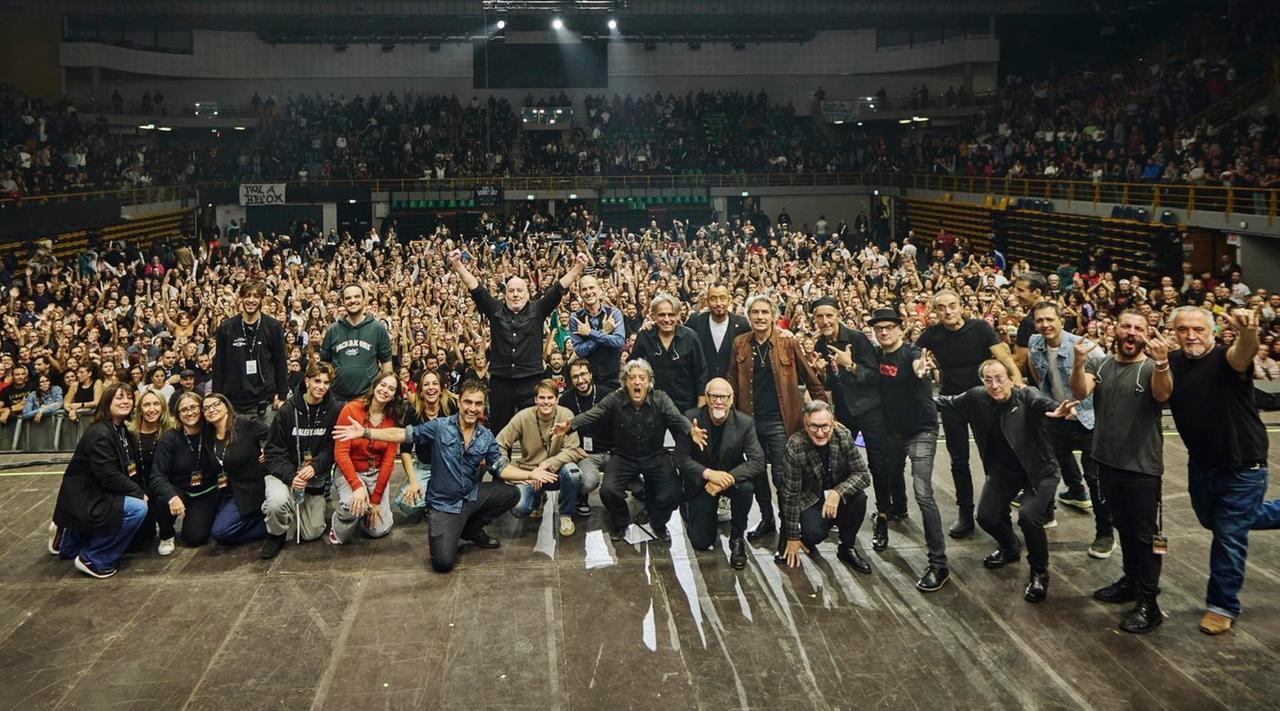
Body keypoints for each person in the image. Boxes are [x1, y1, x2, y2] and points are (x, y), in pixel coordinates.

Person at [1167, 307, 1280, 635]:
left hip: (1243, 465)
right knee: (1215, 520)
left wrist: (1247, 332)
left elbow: (1243, 352)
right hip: (1202, 464)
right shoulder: (1172, 361)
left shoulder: (1225, 359)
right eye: (1184, 330)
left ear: (1213, 331)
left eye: (1198, 329)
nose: (1191, 336)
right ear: (1174, 332)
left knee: (1229, 533)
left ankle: (1222, 604)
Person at [335, 380, 521, 574]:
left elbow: (501, 467)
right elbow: (404, 435)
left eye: (478, 403)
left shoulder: (485, 435)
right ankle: (443, 520)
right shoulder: (440, 426)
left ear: (484, 406)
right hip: (443, 502)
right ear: (459, 403)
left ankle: (471, 529)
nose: (472, 408)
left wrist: (531, 474)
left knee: (512, 493)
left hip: (469, 495)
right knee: (442, 563)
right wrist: (366, 432)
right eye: (468, 402)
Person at [936, 360, 1077, 603]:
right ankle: (1011, 548)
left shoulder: (1027, 396)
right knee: (987, 517)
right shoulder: (976, 397)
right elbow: (946, 402)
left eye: (1000, 378)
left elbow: (1042, 402)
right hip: (1003, 470)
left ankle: (1039, 573)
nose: (994, 384)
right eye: (988, 379)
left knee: (1029, 517)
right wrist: (910, 396)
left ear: (1011, 378)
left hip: (1039, 470)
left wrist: (1058, 409)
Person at [1069, 310, 1172, 634]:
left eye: (1138, 328)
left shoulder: (1150, 367)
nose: (1131, 333)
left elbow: (1163, 394)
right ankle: (1130, 580)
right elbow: (1080, 391)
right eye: (1125, 326)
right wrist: (1077, 362)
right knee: (1124, 529)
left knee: (1145, 537)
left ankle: (1149, 602)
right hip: (1107, 463)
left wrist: (1162, 363)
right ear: (1115, 329)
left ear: (1146, 333)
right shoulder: (1101, 365)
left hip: (1142, 468)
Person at [552, 359, 706, 542]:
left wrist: (691, 430)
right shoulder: (615, 398)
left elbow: (676, 417)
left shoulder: (660, 398)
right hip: (624, 456)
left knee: (673, 493)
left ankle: (658, 522)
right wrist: (569, 426)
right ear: (625, 382)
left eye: (642, 378)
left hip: (655, 455)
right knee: (608, 491)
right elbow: (593, 413)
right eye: (632, 378)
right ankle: (620, 521)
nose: (637, 382)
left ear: (650, 382)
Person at [726, 293, 829, 559]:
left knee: (783, 478)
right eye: (755, 313)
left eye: (765, 312)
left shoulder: (788, 342)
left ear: (773, 315)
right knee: (757, 474)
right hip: (750, 422)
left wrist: (826, 412)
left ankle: (788, 527)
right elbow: (732, 383)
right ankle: (766, 520)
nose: (760, 317)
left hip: (781, 422)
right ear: (749, 317)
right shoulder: (740, 343)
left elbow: (810, 376)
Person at [917, 289, 1022, 538]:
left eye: (952, 305)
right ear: (935, 311)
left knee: (994, 458)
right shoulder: (931, 334)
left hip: (984, 401)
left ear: (961, 305)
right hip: (953, 402)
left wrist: (1017, 382)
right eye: (942, 307)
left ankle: (999, 510)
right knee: (959, 460)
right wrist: (918, 365)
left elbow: (1004, 357)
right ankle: (965, 512)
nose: (948, 311)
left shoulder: (981, 328)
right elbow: (913, 354)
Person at [450, 248, 588, 432]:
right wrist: (458, 265)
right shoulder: (495, 309)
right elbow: (476, 288)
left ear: (527, 293)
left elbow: (558, 290)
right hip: (501, 381)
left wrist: (578, 267)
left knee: (534, 430)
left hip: (530, 381)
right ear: (505, 294)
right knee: (498, 430)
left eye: (520, 291)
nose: (515, 294)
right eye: (511, 291)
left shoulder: (538, 309)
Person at [868, 308, 949, 592]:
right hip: (893, 430)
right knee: (890, 472)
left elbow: (919, 366)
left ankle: (939, 564)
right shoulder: (878, 355)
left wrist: (921, 369)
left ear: (900, 329)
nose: (884, 332)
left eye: (889, 327)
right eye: (879, 329)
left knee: (923, 491)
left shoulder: (912, 354)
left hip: (922, 431)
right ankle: (896, 510)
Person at [811, 296, 900, 551]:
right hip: (844, 413)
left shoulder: (858, 339)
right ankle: (842, 512)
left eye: (829, 315)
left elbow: (874, 377)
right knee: (839, 464)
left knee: (878, 464)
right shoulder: (819, 343)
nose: (825, 321)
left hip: (870, 410)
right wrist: (821, 372)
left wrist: (849, 365)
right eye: (820, 316)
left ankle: (883, 515)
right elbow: (829, 384)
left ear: (837, 315)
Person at [1028, 302, 1115, 558]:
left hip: (1088, 421)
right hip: (1055, 418)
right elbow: (1036, 373)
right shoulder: (1035, 343)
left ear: (1061, 320)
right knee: (1044, 470)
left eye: (1049, 320)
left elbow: (1105, 378)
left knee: (1096, 481)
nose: (1045, 325)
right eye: (1040, 321)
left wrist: (1085, 403)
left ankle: (1105, 534)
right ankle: (1047, 513)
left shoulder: (1085, 346)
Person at [49, 383, 148, 578]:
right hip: (88, 498)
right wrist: (139, 493)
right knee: (138, 509)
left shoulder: (120, 429)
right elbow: (108, 475)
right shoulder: (100, 433)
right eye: (119, 398)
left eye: (129, 397)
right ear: (107, 402)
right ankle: (94, 558)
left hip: (92, 493)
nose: (126, 401)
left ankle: (68, 541)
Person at [674, 378, 763, 569]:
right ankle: (692, 510)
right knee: (701, 542)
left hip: (728, 480)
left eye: (723, 397)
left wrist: (725, 479)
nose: (719, 401)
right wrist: (707, 474)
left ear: (731, 399)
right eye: (714, 396)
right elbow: (680, 458)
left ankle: (737, 538)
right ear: (706, 397)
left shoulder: (745, 423)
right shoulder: (691, 418)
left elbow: (757, 461)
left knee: (746, 488)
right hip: (702, 482)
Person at [260, 362, 343, 559]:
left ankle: (290, 513)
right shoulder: (287, 410)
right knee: (276, 502)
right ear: (307, 381)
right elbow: (272, 451)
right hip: (284, 475)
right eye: (317, 381)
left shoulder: (334, 410)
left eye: (326, 382)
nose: (321, 386)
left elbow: (334, 447)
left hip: (313, 478)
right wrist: (291, 476)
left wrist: (315, 466)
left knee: (312, 532)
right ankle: (276, 533)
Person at [779, 400, 872, 573]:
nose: (820, 433)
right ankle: (807, 536)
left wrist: (838, 493)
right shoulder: (795, 445)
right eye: (814, 427)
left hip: (838, 494)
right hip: (811, 498)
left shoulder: (843, 435)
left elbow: (863, 475)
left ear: (832, 423)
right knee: (814, 534)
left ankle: (847, 547)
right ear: (805, 425)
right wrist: (792, 537)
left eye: (825, 427)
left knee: (859, 498)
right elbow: (790, 494)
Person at [496, 379, 586, 537]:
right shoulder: (523, 417)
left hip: (556, 472)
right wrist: (508, 469)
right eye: (542, 398)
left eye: (550, 398)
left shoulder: (566, 415)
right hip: (530, 474)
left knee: (574, 473)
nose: (546, 402)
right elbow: (499, 443)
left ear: (557, 399)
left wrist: (546, 464)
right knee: (519, 508)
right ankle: (538, 499)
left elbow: (572, 450)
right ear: (535, 399)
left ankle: (566, 514)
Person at [330, 373, 402, 544]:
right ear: (375, 386)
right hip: (352, 470)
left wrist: (376, 501)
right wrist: (357, 486)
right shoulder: (350, 409)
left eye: (391, 389)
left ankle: (370, 510)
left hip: (376, 472)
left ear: (394, 395)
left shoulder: (394, 419)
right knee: (351, 505)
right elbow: (340, 453)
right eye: (383, 385)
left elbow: (388, 462)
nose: (385, 391)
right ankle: (340, 523)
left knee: (378, 531)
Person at [150, 391, 220, 549]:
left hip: (206, 491)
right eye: (184, 409)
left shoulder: (211, 431)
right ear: (178, 414)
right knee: (161, 496)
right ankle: (166, 535)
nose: (190, 413)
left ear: (201, 409)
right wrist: (172, 497)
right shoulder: (170, 437)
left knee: (194, 538)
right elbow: (157, 476)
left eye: (194, 407)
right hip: (180, 490)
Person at [212, 280, 289, 420]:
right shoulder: (226, 327)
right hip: (233, 404)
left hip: (265, 404)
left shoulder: (273, 326)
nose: (251, 300)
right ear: (241, 298)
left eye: (256, 296)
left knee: (266, 442)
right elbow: (219, 366)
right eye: (247, 296)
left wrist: (282, 395)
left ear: (262, 299)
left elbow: (280, 363)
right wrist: (217, 398)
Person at [202, 393, 270, 545]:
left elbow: (275, 434)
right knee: (206, 529)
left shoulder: (244, 423)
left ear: (226, 406)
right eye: (206, 408)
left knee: (219, 532)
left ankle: (268, 527)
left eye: (216, 404)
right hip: (226, 490)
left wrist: (268, 451)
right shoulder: (209, 434)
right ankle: (258, 518)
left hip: (250, 489)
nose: (211, 410)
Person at [629, 293, 707, 413]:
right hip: (652, 406)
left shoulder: (690, 337)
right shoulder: (645, 336)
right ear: (653, 316)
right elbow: (631, 366)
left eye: (671, 315)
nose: (666, 319)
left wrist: (700, 408)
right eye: (661, 315)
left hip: (685, 407)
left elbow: (701, 372)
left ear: (678, 315)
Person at [395, 370, 456, 519]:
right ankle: (432, 497)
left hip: (448, 464)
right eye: (426, 384)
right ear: (421, 391)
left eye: (435, 383)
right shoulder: (413, 412)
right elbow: (405, 451)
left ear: (441, 389)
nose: (431, 387)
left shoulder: (451, 407)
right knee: (409, 504)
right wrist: (413, 482)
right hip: (424, 466)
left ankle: (437, 498)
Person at [320, 282, 393, 403]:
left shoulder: (378, 328)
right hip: (336, 398)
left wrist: (385, 394)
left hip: (367, 398)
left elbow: (386, 363)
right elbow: (324, 365)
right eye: (348, 298)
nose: (352, 300)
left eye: (357, 296)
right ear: (343, 302)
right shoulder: (333, 330)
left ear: (364, 300)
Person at [127, 389, 175, 552]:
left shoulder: (171, 431)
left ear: (163, 407)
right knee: (140, 540)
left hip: (164, 487)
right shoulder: (130, 433)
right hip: (139, 490)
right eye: (146, 405)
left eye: (156, 404)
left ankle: (167, 535)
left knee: (162, 497)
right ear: (140, 409)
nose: (151, 409)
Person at [559, 360, 607, 517]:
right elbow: (561, 431)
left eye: (583, 374)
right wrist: (573, 448)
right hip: (586, 454)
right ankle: (579, 495)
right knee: (587, 482)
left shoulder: (607, 395)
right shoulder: (565, 400)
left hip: (611, 451)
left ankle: (615, 498)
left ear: (590, 374)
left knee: (633, 483)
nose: (580, 380)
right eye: (575, 377)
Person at [569, 274, 626, 391]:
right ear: (579, 293)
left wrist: (590, 333)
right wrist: (604, 332)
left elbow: (619, 342)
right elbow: (580, 351)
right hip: (590, 379)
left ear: (599, 290)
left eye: (591, 288)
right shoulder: (575, 318)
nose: (589, 292)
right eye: (584, 289)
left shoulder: (614, 313)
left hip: (613, 377)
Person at [687, 283, 751, 382]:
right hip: (702, 387)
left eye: (722, 298)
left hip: (731, 386)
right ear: (707, 301)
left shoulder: (742, 324)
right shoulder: (696, 321)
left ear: (729, 300)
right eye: (713, 298)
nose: (718, 303)